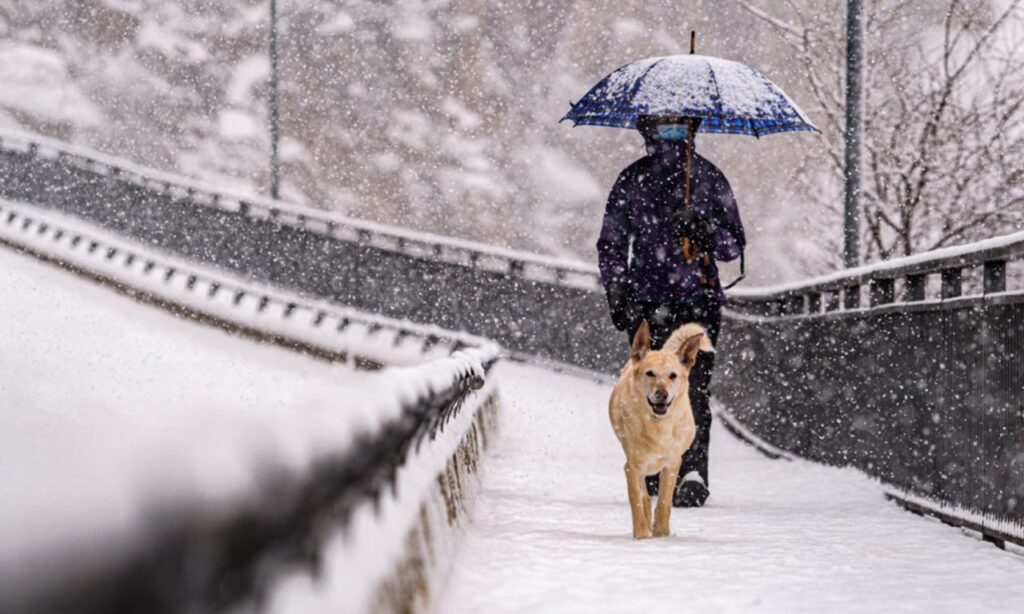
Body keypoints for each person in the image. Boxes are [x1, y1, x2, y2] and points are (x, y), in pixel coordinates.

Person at [597, 115, 745, 508]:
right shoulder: (634, 180)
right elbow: (611, 243)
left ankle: (689, 473)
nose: (672, 134)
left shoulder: (708, 179)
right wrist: (616, 289)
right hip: (648, 304)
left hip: (697, 304)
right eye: (664, 126)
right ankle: (651, 467)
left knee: (692, 389)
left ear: (692, 131)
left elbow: (733, 247)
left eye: (680, 126)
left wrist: (705, 230)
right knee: (648, 388)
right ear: (647, 130)